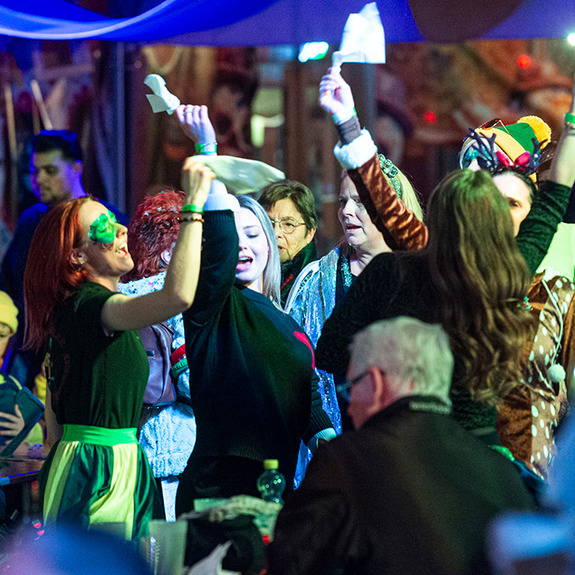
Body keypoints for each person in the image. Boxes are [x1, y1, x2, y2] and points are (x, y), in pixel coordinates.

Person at [315, 68, 575, 442]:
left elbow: (388, 207)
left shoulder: (419, 262)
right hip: (472, 452)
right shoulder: (509, 270)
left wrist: (348, 122)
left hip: (410, 445)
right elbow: (558, 188)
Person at [22, 158, 213, 539]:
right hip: (97, 471)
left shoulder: (83, 310)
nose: (122, 229)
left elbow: (55, 419)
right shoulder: (89, 306)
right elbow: (177, 295)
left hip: (116, 463)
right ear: (77, 256)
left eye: (114, 220)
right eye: (103, 228)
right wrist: (193, 207)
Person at [267, 317, 535, 575]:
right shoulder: (504, 473)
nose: (349, 405)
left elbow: (289, 562)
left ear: (375, 381)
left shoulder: (347, 461)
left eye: (350, 387)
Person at [174, 150, 335, 514]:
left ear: (270, 243)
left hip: (273, 491)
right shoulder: (213, 304)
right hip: (217, 490)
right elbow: (217, 246)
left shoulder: (288, 323)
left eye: (251, 233)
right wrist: (207, 149)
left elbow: (308, 406)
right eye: (233, 237)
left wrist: (341, 454)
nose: (242, 244)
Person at [459, 121, 575, 477]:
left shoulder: (555, 290)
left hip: (535, 473)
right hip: (462, 467)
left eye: (510, 202)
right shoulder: (449, 283)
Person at [1, 130, 129, 388]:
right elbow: (9, 283)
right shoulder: (31, 220)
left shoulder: (106, 220)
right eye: (35, 171)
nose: (40, 180)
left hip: (82, 351)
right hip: (29, 352)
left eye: (50, 171)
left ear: (76, 168)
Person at [118, 189, 196, 520]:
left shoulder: (116, 297)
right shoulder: (176, 301)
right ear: (168, 253)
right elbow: (191, 382)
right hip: (174, 442)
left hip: (126, 444)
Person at [258, 181, 318, 306]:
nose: (275, 233)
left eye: (289, 224)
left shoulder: (318, 282)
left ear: (310, 233)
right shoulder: (248, 276)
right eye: (268, 223)